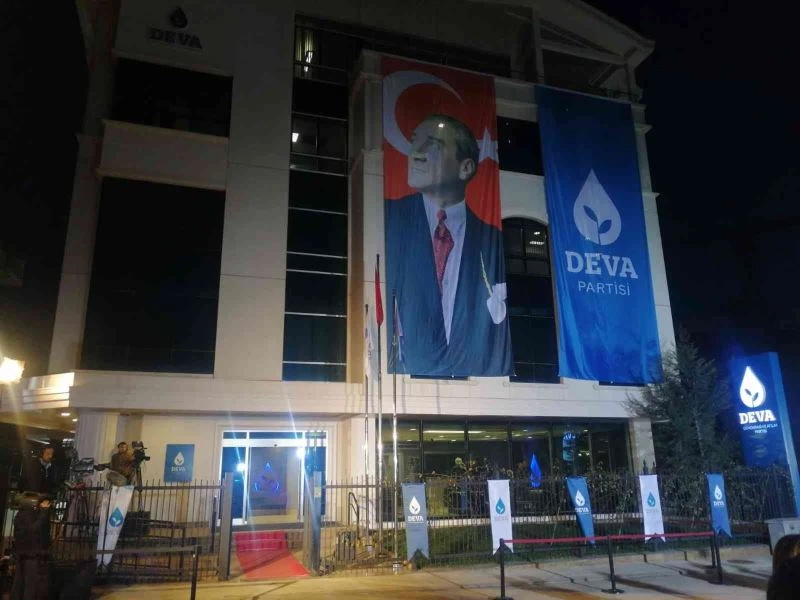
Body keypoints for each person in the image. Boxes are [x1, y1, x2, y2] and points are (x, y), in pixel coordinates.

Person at [385, 114, 511, 377]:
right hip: (405, 367)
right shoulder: (390, 218)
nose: (416, 154)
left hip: (464, 367)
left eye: (432, 145)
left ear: (465, 168)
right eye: (414, 142)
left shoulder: (489, 240)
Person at [11, 494, 51, 600]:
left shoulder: (20, 514)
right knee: (30, 584)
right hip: (31, 554)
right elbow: (34, 529)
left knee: (19, 583)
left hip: (22, 552)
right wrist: (44, 512)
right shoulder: (29, 514)